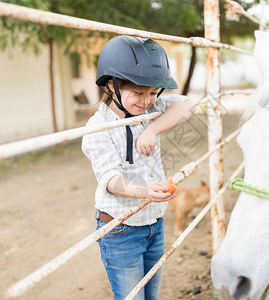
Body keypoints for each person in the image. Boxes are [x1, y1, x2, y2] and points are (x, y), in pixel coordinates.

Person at [82, 35, 194, 300]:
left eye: (154, 93)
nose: (147, 100)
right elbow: (110, 180)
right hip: (122, 230)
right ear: (112, 85)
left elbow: (189, 105)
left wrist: (153, 128)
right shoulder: (98, 127)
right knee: (132, 296)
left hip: (153, 224)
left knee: (151, 295)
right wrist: (145, 191)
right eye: (138, 93)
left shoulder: (149, 110)